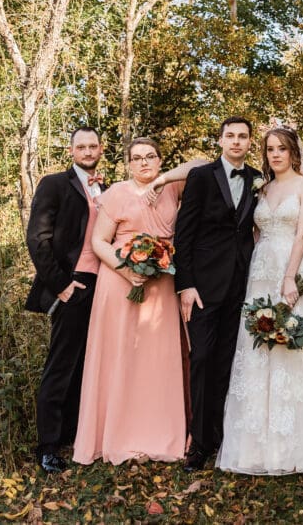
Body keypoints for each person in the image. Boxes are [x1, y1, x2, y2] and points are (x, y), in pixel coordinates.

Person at [216, 126, 303, 474]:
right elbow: (254, 231)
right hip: (260, 270)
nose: (275, 154)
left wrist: (290, 277)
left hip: (295, 268)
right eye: (269, 149)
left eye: (281, 148)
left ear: (293, 151)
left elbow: (301, 234)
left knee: (298, 345)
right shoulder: (261, 188)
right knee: (261, 346)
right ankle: (259, 446)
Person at [72, 138, 204, 465]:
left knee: (157, 362)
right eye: (137, 158)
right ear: (128, 164)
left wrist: (163, 180)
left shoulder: (173, 188)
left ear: (160, 160)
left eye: (150, 157)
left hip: (162, 285)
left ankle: (159, 434)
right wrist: (125, 270)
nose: (144, 163)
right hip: (120, 284)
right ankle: (118, 435)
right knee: (121, 358)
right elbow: (99, 241)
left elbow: (203, 163)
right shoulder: (117, 193)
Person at [173, 117, 262, 472]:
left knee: (228, 362)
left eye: (243, 136)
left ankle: (222, 435)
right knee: (202, 360)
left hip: (241, 284)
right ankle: (198, 442)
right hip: (204, 286)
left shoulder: (259, 178)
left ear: (249, 141)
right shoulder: (201, 177)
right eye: (230, 136)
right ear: (220, 140)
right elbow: (184, 234)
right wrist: (186, 284)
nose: (236, 141)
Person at [24, 127, 105, 473]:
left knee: (88, 364)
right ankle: (48, 447)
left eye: (93, 145)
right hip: (73, 285)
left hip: (105, 287)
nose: (88, 151)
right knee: (61, 364)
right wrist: (61, 285)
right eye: (81, 146)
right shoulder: (54, 184)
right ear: (72, 151)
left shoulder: (108, 188)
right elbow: (37, 239)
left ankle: (74, 435)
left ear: (101, 149)